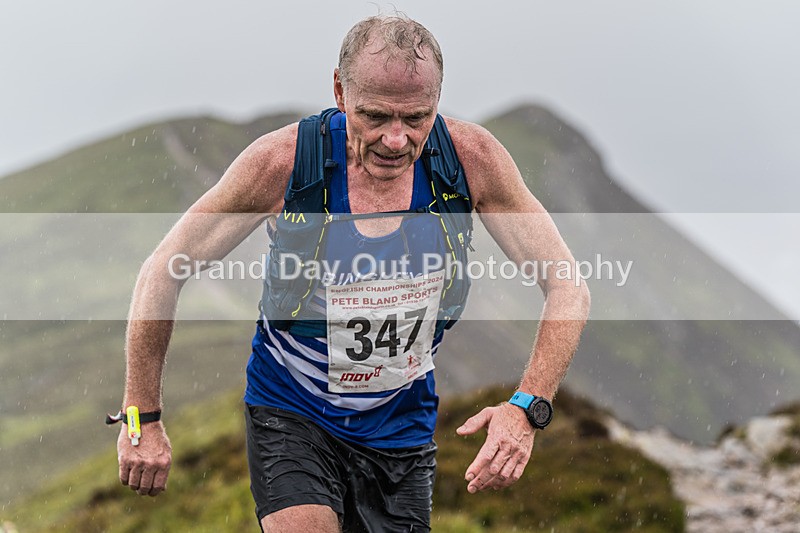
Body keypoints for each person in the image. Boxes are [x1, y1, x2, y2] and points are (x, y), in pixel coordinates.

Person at [113, 14, 590, 533]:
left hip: (400, 425)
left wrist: (528, 407)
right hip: (291, 408)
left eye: (416, 118)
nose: (395, 139)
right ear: (339, 91)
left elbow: (567, 285)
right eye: (375, 116)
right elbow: (163, 270)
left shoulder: (471, 162)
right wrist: (143, 416)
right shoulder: (284, 164)